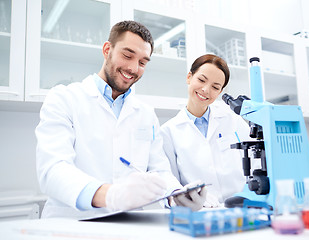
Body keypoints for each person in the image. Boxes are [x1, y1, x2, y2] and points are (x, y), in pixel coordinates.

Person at [35, 21, 206, 219]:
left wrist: (177, 195)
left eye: (142, 62)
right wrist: (110, 195)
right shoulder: (64, 98)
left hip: (128, 225)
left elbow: (159, 171)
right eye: (127, 55)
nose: (133, 68)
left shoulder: (145, 113)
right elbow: (53, 170)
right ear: (107, 49)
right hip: (71, 224)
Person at [160, 54, 251, 207]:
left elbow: (257, 162)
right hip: (201, 211)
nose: (205, 90)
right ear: (189, 77)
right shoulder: (169, 131)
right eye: (201, 80)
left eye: (215, 87)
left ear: (220, 92)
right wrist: (183, 199)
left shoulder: (233, 120)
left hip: (241, 207)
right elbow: (170, 181)